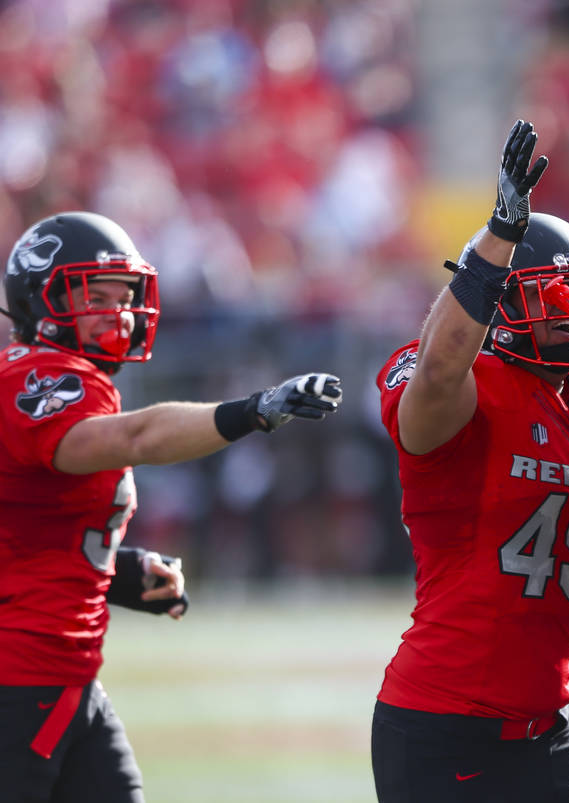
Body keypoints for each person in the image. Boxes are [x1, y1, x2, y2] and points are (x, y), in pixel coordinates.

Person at [370, 119, 569, 803]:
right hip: (441, 724)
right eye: (555, 297)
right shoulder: (468, 388)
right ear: (503, 305)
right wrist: (498, 240)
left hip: (549, 727)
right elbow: (439, 371)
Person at [0, 211, 342, 803]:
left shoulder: (71, 379)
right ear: (42, 300)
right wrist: (253, 410)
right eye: (95, 296)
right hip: (20, 679)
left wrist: (117, 572)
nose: (118, 312)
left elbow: (26, 529)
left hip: (65, 674)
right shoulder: (36, 377)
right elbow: (134, 439)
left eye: (124, 296)